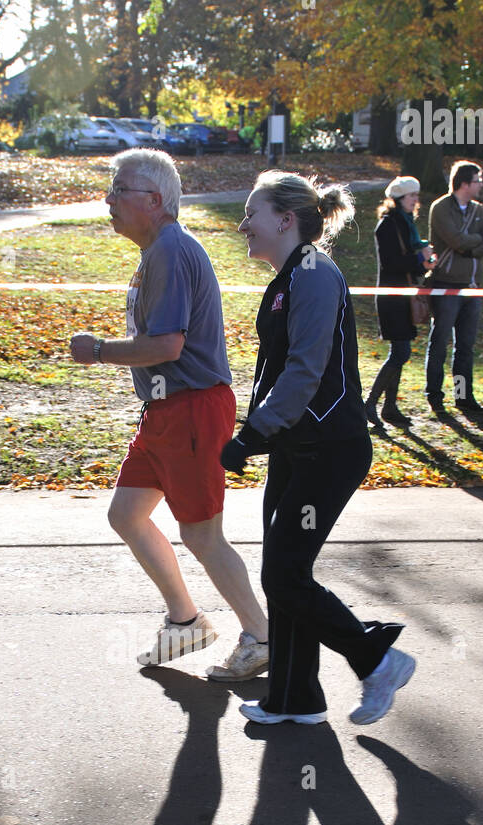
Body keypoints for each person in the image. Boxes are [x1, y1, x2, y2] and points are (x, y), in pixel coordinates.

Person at [220, 171, 415, 726]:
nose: (243, 224)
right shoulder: (289, 276)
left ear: (285, 219)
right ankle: (295, 699)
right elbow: (277, 372)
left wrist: (254, 433)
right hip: (295, 448)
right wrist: (258, 433)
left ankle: (377, 658)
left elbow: (305, 371)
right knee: (286, 573)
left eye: (251, 212)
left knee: (283, 575)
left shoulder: (314, 273)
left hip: (331, 449)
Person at [69, 149, 269, 678]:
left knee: (202, 534)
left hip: (193, 409)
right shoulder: (158, 250)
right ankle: (186, 622)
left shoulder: (171, 251)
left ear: (154, 200)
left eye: (120, 189)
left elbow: (168, 345)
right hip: (164, 409)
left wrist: (98, 350)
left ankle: (262, 637)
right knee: (126, 515)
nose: (109, 199)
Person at [425, 161, 483, 420]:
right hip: (445, 285)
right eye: (477, 180)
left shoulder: (478, 210)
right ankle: (434, 396)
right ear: (464, 183)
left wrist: (469, 246)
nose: (480, 184)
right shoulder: (440, 208)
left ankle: (463, 397)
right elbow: (454, 239)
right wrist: (471, 244)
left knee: (465, 346)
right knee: (440, 342)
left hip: (471, 287)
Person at [365, 175, 435, 429]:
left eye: (416, 195)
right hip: (392, 296)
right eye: (411, 196)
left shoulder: (407, 224)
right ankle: (371, 403)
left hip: (405, 294)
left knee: (401, 352)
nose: (416, 200)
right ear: (398, 199)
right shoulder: (387, 225)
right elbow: (391, 263)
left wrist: (424, 262)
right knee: (401, 351)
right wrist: (419, 260)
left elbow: (409, 260)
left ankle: (389, 407)